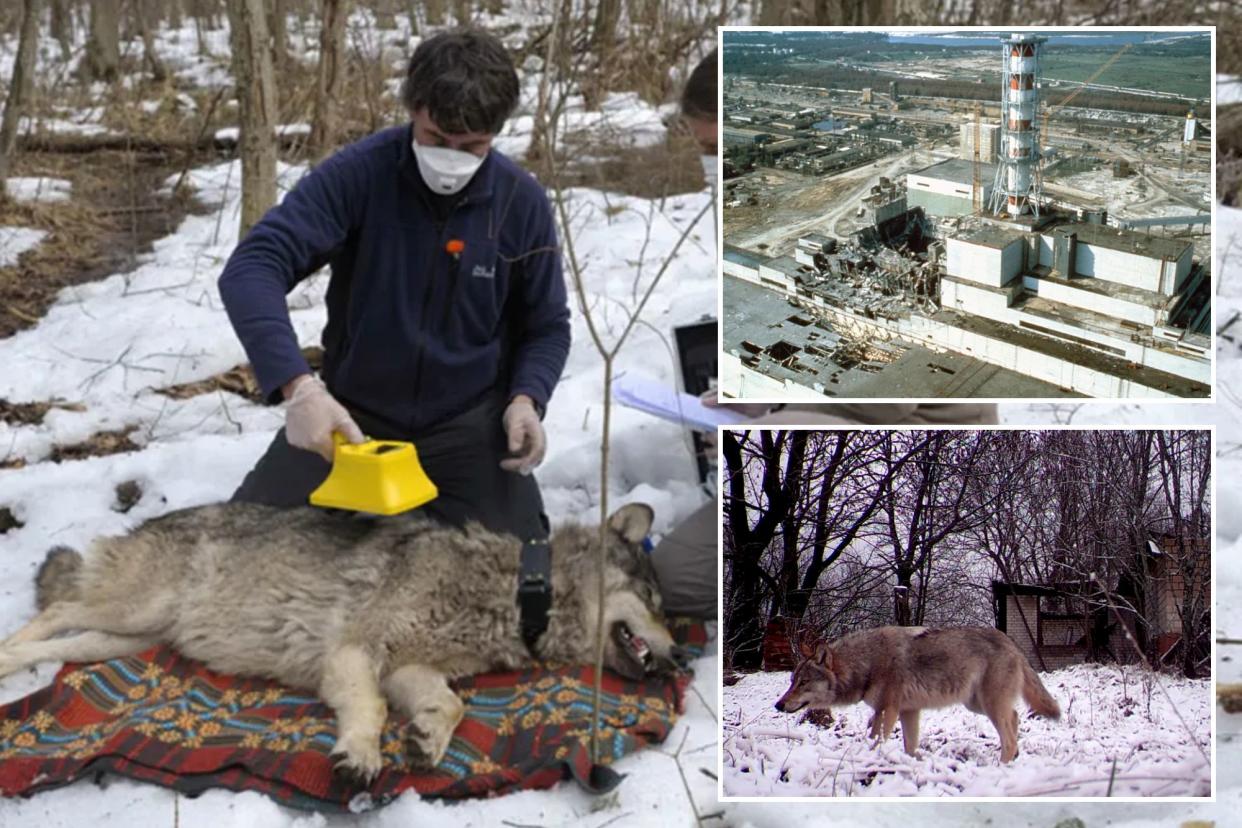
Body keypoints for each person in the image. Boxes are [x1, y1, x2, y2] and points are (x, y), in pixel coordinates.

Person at [647, 48, 998, 620]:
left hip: (912, 429)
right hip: (818, 457)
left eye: (717, 148)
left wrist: (760, 415)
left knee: (679, 579)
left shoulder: (887, 305)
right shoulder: (741, 219)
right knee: (685, 572)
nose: (714, 164)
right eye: (704, 148)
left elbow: (882, 401)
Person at [218, 30, 570, 541]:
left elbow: (547, 325)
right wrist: (298, 388)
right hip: (352, 422)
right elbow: (253, 266)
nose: (451, 158)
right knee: (239, 550)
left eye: (471, 146)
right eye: (435, 139)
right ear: (412, 111)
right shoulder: (360, 175)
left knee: (519, 575)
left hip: (466, 426)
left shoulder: (521, 203)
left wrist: (526, 398)